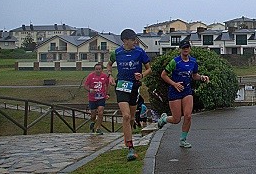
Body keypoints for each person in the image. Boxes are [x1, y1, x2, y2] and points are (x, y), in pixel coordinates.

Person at [107, 29, 151, 161]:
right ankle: (130, 147)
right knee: (125, 116)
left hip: (134, 86)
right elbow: (109, 64)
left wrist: (142, 74)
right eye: (133, 40)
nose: (135, 42)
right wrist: (109, 75)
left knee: (131, 118)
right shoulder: (116, 52)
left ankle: (128, 135)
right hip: (122, 85)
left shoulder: (140, 52)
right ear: (125, 41)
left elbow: (149, 69)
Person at [158, 39, 209, 148]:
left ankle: (183, 139)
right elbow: (163, 75)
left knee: (188, 116)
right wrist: (174, 84)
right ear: (180, 49)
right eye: (183, 48)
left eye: (187, 47)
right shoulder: (175, 62)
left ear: (190, 49)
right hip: (175, 91)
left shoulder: (193, 62)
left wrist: (202, 77)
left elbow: (194, 75)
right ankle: (164, 119)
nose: (186, 49)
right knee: (176, 119)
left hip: (187, 91)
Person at [84, 62, 109, 135]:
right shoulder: (90, 76)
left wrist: (107, 94)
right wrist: (90, 90)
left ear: (102, 70)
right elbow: (85, 86)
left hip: (101, 97)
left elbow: (107, 85)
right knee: (93, 115)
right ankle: (92, 122)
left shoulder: (104, 76)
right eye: (96, 69)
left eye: (99, 69)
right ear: (94, 70)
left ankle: (98, 128)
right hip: (92, 98)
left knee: (100, 113)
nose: (98, 71)